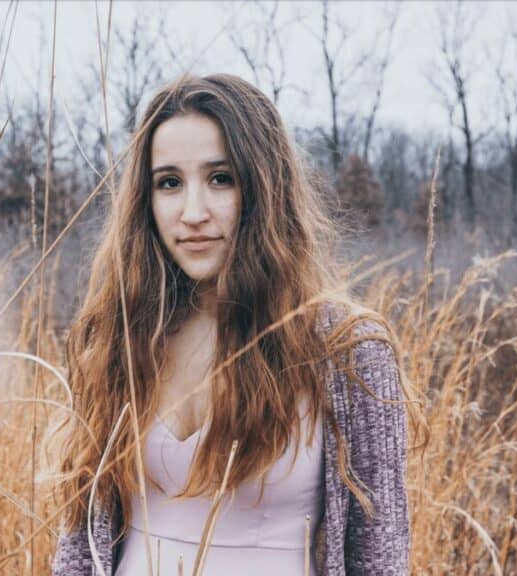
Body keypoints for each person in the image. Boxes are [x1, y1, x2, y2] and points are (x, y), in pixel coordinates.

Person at [50, 73, 415, 576]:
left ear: (264, 189)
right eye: (169, 182)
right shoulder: (121, 335)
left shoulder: (345, 348)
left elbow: (381, 558)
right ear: (145, 199)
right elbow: (78, 545)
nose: (193, 212)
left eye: (221, 178)